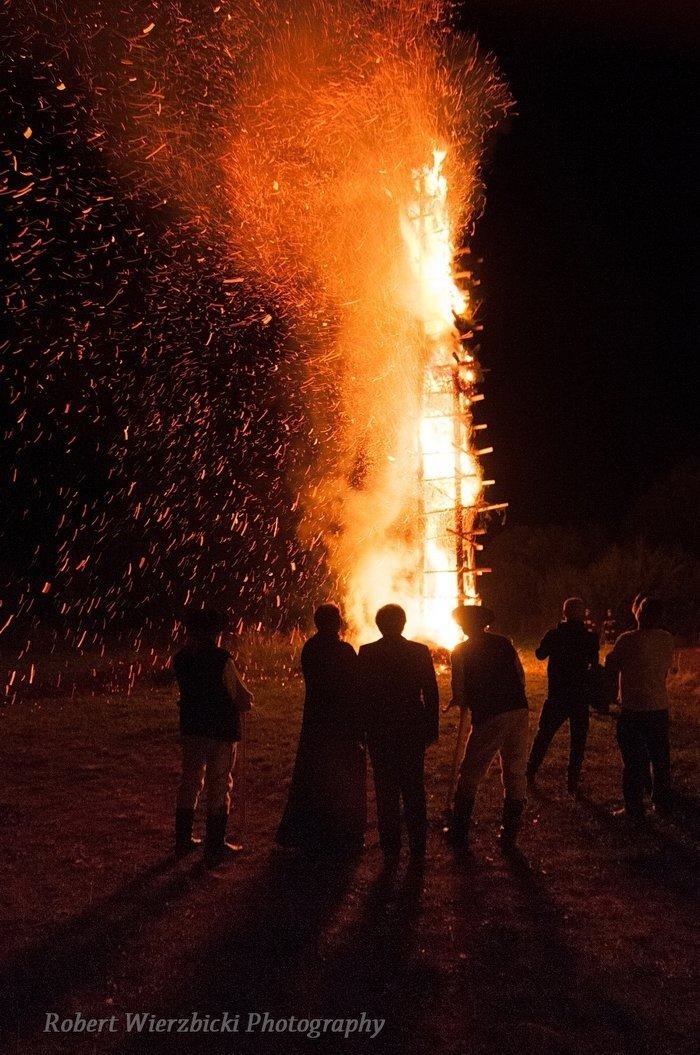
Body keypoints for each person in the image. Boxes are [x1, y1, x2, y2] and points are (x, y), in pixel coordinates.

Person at [277, 604, 366, 854]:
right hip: (341, 721)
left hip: (316, 719)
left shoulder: (310, 648)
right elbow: (355, 686)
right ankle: (341, 833)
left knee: (313, 773)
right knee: (342, 774)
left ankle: (309, 831)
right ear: (336, 622)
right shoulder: (343, 650)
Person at [172, 608, 253, 866]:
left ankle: (183, 840)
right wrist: (247, 700)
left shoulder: (181, 658)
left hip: (193, 728)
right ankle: (214, 846)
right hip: (219, 730)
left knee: (190, 781)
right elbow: (239, 696)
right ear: (213, 634)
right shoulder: (221, 659)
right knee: (219, 784)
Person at [358, 604, 439, 859]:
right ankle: (418, 846)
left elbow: (359, 694)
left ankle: (390, 847)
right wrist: (431, 727)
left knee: (385, 788)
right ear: (403, 623)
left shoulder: (367, 653)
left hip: (379, 729)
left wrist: (361, 729)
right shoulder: (419, 651)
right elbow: (432, 693)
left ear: (378, 624)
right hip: (411, 728)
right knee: (414, 786)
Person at [446, 606, 529, 852]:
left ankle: (459, 831)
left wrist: (459, 699)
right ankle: (509, 834)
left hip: (491, 714)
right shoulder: (504, 643)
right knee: (515, 770)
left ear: (465, 626)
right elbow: (520, 676)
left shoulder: (460, 651)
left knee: (471, 770)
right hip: (517, 709)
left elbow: (460, 690)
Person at [605, 597, 677, 822]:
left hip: (634, 708)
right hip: (658, 707)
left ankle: (635, 807)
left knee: (633, 761)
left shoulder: (626, 639)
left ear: (638, 614)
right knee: (660, 758)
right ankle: (662, 802)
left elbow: (612, 665)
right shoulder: (666, 639)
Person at [526, 597, 599, 795]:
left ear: (564, 613)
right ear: (583, 614)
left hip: (557, 694)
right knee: (578, 740)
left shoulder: (554, 635)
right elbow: (594, 663)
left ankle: (530, 772)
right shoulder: (590, 637)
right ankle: (572, 782)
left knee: (544, 735)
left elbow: (540, 654)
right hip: (579, 695)